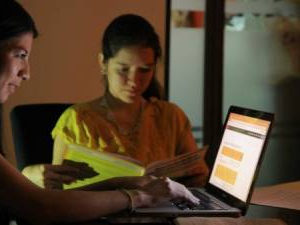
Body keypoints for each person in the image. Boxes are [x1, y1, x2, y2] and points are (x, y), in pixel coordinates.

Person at [0, 1, 200, 224]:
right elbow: (42, 207)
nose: (26, 72)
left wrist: (129, 184)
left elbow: (42, 201)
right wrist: (139, 196)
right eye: (20, 55)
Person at [22, 14, 209, 190]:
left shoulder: (171, 117)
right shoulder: (78, 120)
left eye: (145, 70)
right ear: (103, 63)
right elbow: (59, 193)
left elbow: (197, 177)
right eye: (123, 69)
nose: (134, 81)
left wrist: (197, 178)